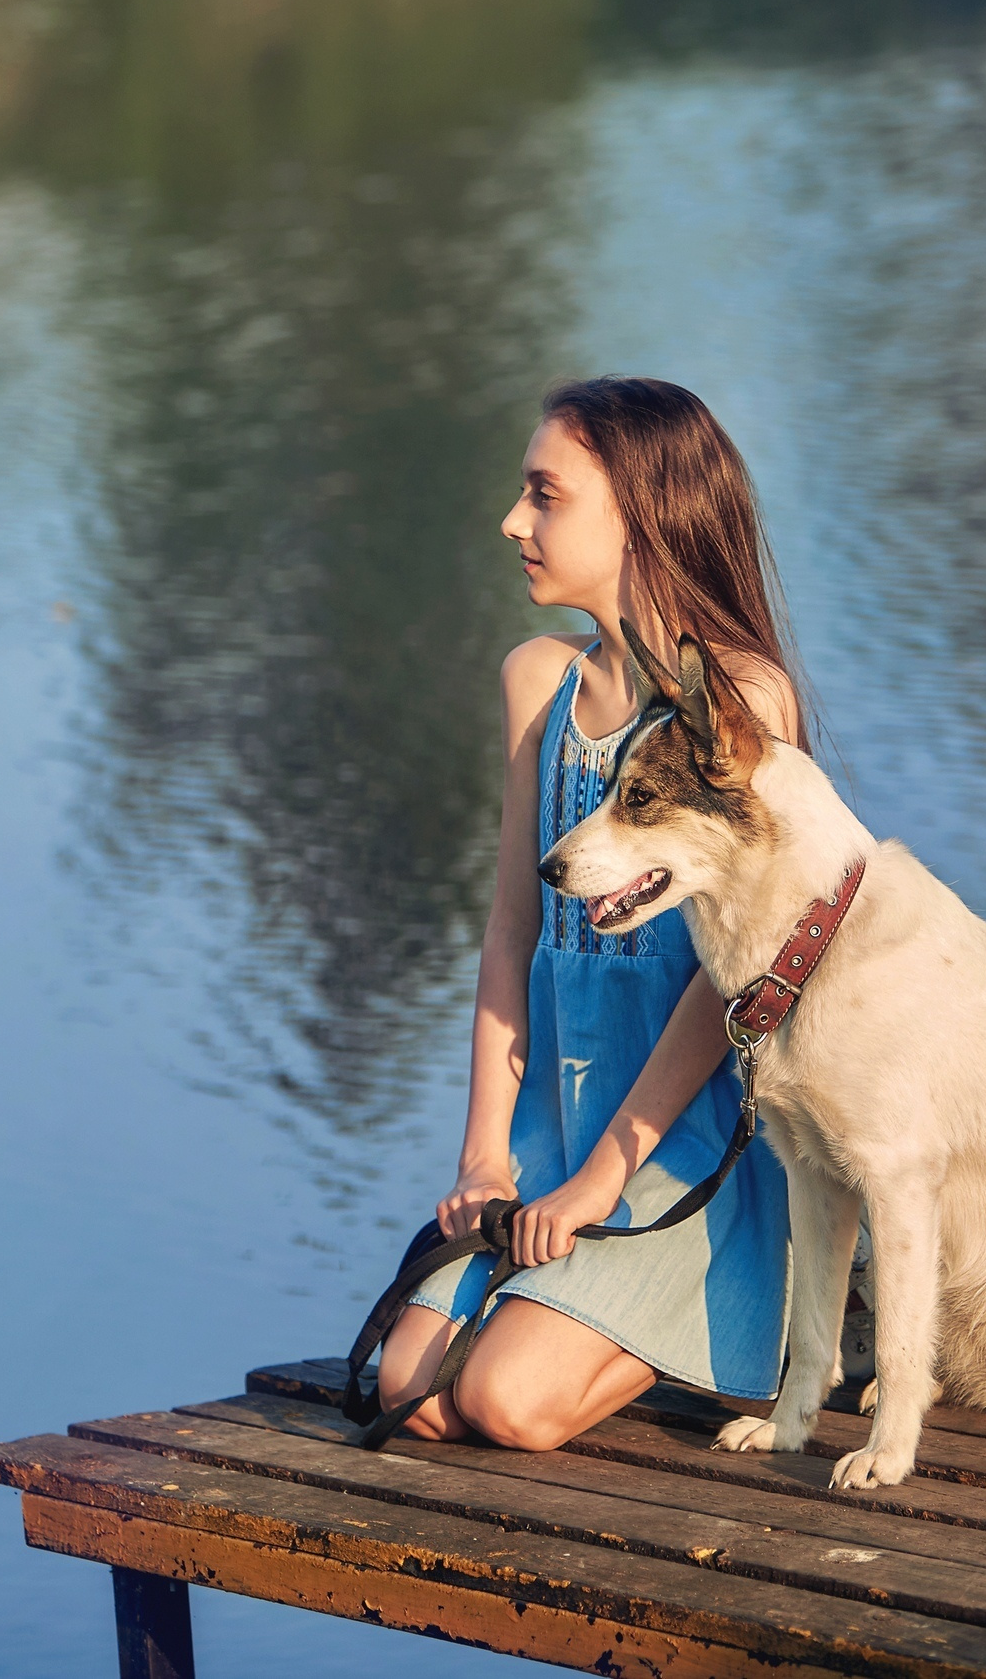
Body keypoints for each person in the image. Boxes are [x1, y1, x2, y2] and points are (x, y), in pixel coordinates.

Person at [375, 375, 822, 1450]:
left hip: (681, 1141)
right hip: (555, 1129)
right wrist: (485, 1157)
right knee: (408, 1391)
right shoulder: (538, 682)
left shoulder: (741, 700)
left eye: (545, 495)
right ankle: (580, 1309)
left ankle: (746, 1313)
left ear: (640, 516)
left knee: (505, 1402)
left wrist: (597, 1183)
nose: (512, 521)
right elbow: (511, 932)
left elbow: (732, 975)